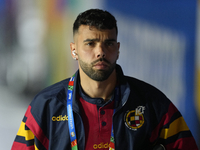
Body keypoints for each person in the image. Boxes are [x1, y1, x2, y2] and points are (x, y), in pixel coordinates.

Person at [11, 9, 198, 150]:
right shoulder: (45, 106)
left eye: (108, 43)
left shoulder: (153, 104)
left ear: (117, 49)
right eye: (90, 43)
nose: (100, 51)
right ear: (73, 50)